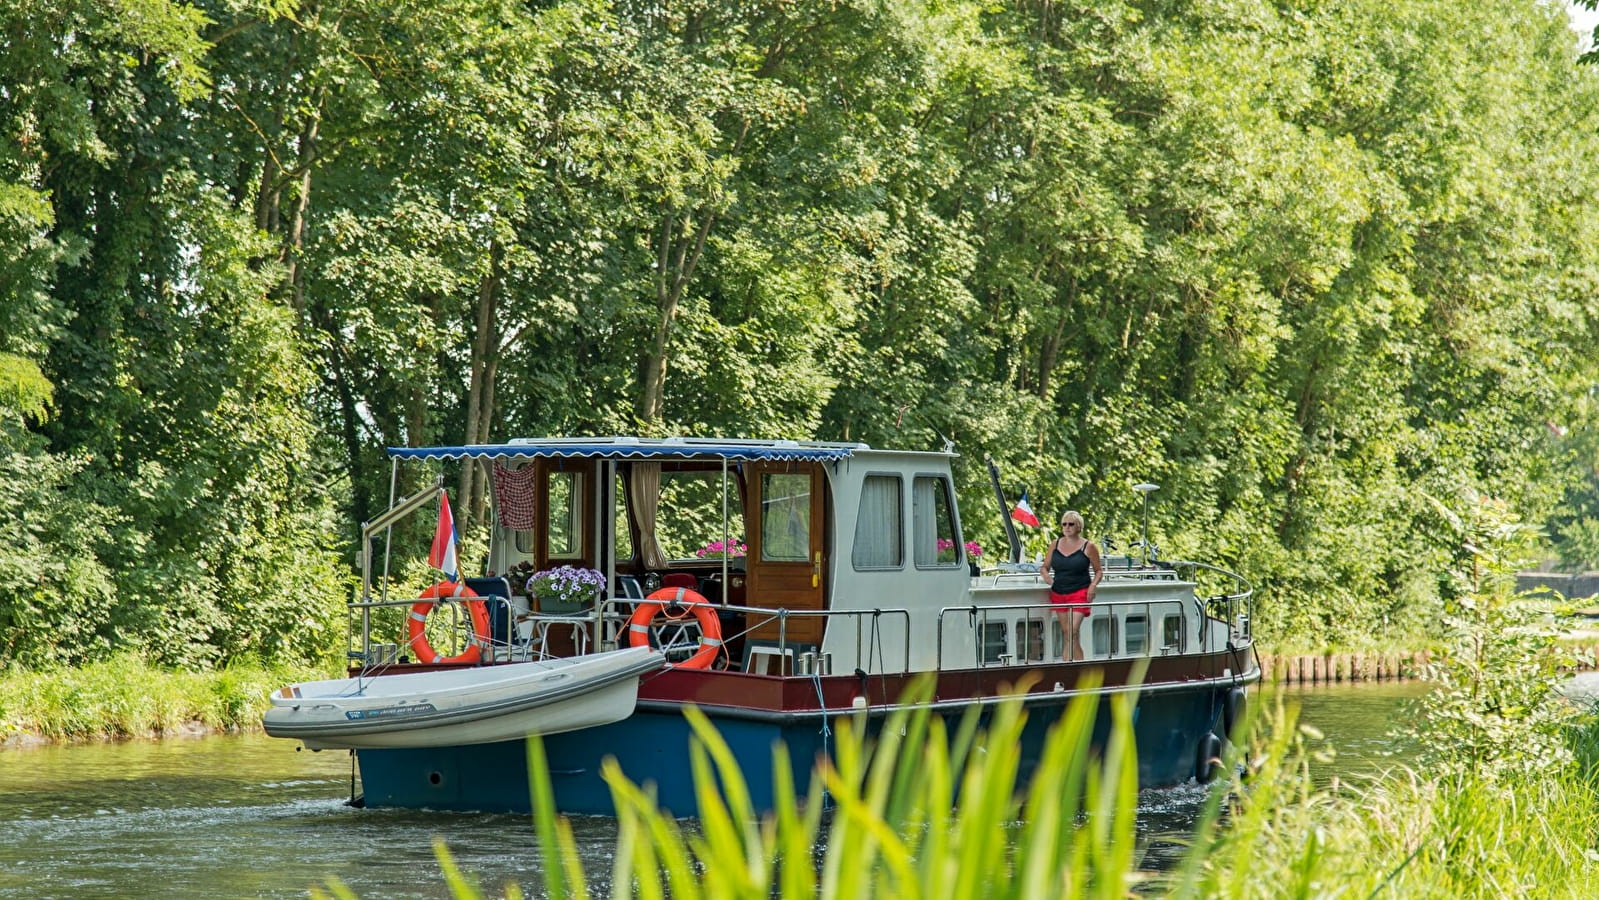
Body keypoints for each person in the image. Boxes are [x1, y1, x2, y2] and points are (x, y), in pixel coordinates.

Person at [1039, 510, 1102, 661]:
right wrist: (1049, 580)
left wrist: (1093, 586)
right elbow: (1044, 567)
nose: (1067, 527)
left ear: (1079, 526)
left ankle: (1067, 664)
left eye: (1071, 524)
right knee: (1067, 632)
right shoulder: (1055, 544)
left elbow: (1098, 571)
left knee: (1072, 631)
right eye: (1064, 524)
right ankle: (1078, 667)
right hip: (1059, 592)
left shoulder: (1089, 546)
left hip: (1080, 591)